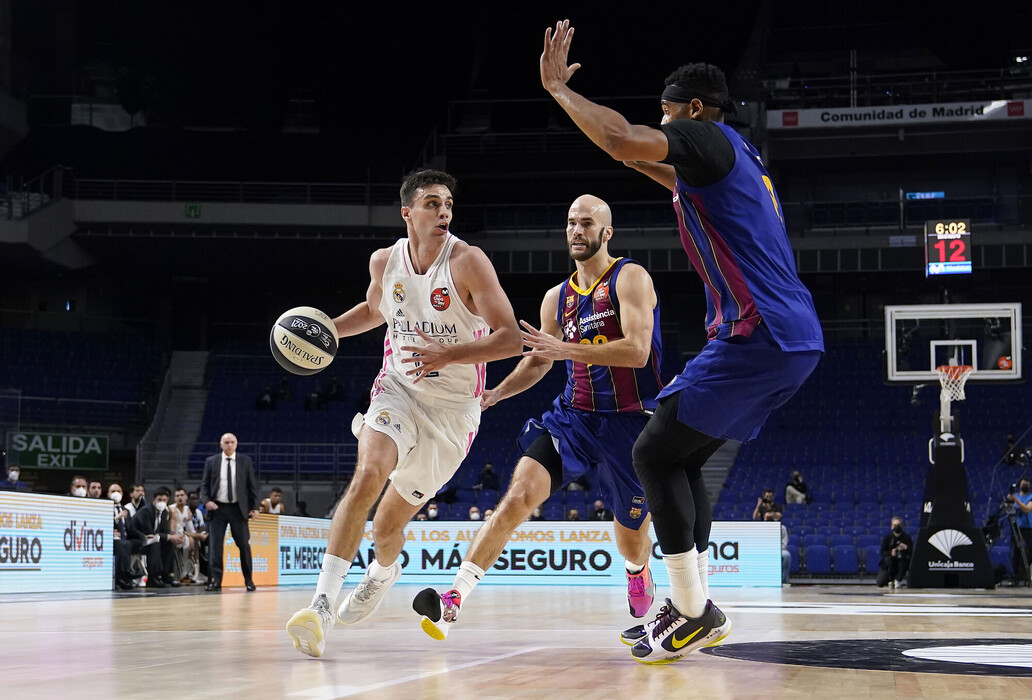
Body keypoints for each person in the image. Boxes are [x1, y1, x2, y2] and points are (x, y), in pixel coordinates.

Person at [538, 21, 823, 664]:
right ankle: (692, 604)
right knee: (682, 457)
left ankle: (694, 611)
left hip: (760, 332)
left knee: (652, 452)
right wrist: (618, 151)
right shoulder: (733, 161)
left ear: (693, 109)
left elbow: (622, 139)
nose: (662, 124)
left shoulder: (705, 137)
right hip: (790, 337)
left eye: (666, 114)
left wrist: (560, 91)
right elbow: (637, 159)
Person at [285, 169, 521, 659]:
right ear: (407, 213)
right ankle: (320, 606)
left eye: (448, 203)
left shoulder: (468, 262)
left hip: (453, 413)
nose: (443, 211)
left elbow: (510, 339)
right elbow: (376, 311)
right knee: (367, 476)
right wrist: (326, 329)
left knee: (386, 528)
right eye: (432, 203)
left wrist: (448, 355)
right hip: (398, 389)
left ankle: (383, 571)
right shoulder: (384, 261)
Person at [412, 194, 663, 641]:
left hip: (630, 421)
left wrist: (565, 348)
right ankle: (455, 597)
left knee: (630, 540)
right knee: (517, 498)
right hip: (572, 418)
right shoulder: (557, 298)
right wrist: (496, 393)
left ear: (607, 233)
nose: (577, 231)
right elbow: (540, 361)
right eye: (571, 222)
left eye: (587, 223)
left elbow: (638, 352)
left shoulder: (630, 278)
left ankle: (637, 570)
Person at [200, 433, 259, 592]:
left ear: (236, 444)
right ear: (221, 444)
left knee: (244, 545)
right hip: (217, 508)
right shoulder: (211, 461)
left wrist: (254, 507)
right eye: (226, 442)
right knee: (215, 547)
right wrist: (206, 501)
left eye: (232, 442)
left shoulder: (245, 461)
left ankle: (249, 580)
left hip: (238, 509)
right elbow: (204, 485)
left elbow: (252, 485)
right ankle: (215, 581)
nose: (229, 445)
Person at [128, 486, 185, 588]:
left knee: (170, 543)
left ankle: (166, 575)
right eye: (159, 499)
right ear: (154, 500)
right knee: (155, 544)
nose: (162, 502)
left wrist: (173, 537)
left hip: (151, 539)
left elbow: (164, 531)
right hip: (137, 539)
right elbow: (149, 532)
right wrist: (168, 536)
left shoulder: (164, 512)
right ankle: (153, 577)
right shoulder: (146, 511)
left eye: (164, 500)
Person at [108, 482, 137, 590]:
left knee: (138, 542)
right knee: (124, 545)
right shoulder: (105, 508)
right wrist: (117, 517)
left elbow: (131, 528)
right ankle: (123, 575)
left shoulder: (126, 510)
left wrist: (144, 536)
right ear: (108, 494)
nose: (116, 493)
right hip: (112, 539)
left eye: (118, 491)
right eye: (113, 491)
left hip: (126, 539)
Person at [1006, 477, 1032, 583]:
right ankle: (1017, 576)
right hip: (1016, 527)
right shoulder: (1014, 496)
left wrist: (1016, 500)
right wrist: (1010, 499)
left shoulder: (1030, 497)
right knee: (1016, 552)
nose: (1025, 486)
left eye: (1027, 484)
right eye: (1023, 484)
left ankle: (1027, 574)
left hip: (1028, 527)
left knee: (1030, 550)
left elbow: (1027, 509)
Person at [878, 516, 913, 588]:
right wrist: (891, 553)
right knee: (880, 582)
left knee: (904, 560)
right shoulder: (887, 538)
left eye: (898, 525)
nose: (897, 527)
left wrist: (906, 548)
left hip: (902, 561)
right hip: (890, 562)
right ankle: (890, 579)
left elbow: (912, 552)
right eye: (894, 525)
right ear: (891, 526)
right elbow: (883, 551)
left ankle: (898, 579)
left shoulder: (907, 538)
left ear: (902, 526)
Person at [764, 510, 791, 584]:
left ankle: (782, 580)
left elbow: (784, 544)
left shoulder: (782, 528)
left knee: (786, 555)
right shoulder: (761, 528)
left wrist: (775, 550)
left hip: (779, 550)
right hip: (764, 550)